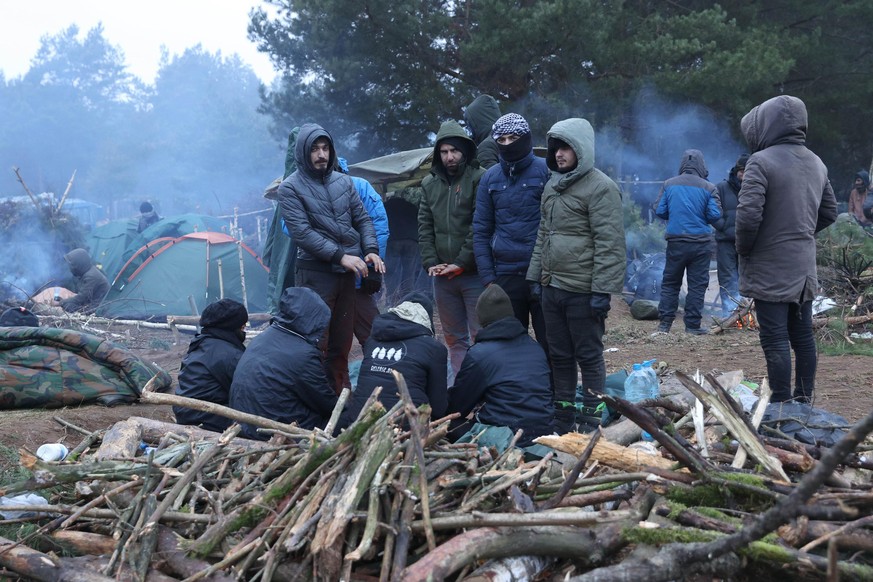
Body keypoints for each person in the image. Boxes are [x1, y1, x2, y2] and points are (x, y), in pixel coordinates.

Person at [526, 118, 626, 434]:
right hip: (552, 287)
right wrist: (535, 277)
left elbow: (610, 243)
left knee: (589, 356)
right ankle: (564, 414)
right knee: (560, 356)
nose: (559, 154)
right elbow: (544, 234)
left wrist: (602, 291)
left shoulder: (601, 187)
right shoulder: (552, 186)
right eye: (556, 147)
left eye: (566, 147)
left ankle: (592, 416)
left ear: (581, 148)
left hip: (583, 290)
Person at [735, 95, 837, 403]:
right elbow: (829, 211)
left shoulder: (760, 162)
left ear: (767, 124)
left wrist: (745, 249)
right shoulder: (816, 162)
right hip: (803, 267)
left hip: (770, 266)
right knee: (803, 336)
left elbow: (748, 216)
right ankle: (804, 402)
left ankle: (781, 404)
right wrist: (800, 232)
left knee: (775, 337)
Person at [278, 123, 385, 393]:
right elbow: (301, 233)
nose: (321, 155)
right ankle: (314, 400)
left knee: (341, 343)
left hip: (345, 275)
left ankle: (340, 400)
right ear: (304, 152)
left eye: (325, 148)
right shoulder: (290, 188)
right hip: (315, 274)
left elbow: (362, 218)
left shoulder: (343, 181)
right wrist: (341, 256)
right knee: (316, 342)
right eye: (314, 149)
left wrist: (371, 249)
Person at [473, 113, 549, 349]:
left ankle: (554, 387)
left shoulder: (546, 171)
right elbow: (481, 229)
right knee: (510, 345)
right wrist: (488, 278)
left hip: (543, 274)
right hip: (504, 275)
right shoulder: (490, 178)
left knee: (551, 343)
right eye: (502, 139)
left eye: (513, 138)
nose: (507, 144)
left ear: (525, 138)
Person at [418, 120, 486, 378]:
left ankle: (485, 391)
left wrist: (462, 262)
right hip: (443, 277)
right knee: (454, 339)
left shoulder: (479, 178)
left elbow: (478, 225)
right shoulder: (428, 184)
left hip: (473, 274)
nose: (450, 157)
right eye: (444, 152)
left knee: (481, 336)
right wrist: (430, 262)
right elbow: (424, 227)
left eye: (454, 151)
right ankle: (461, 390)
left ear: (465, 151)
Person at [447, 284, 553, 447]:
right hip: (542, 432)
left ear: (482, 318)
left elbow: (458, 408)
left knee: (449, 424)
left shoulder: (480, 354)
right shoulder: (535, 347)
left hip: (506, 437)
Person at [229, 287, 338, 439]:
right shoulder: (303, 354)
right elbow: (327, 404)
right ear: (313, 320)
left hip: (245, 426)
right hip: (277, 432)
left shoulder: (263, 337)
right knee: (342, 418)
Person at [338, 292, 447, 430]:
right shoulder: (434, 348)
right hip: (406, 430)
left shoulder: (372, 340)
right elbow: (438, 408)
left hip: (359, 426)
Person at [654, 149, 722, 334]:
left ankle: (664, 325)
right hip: (700, 244)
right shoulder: (709, 187)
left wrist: (676, 214)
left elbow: (659, 210)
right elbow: (715, 215)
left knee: (670, 283)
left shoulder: (669, 184)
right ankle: (692, 326)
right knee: (697, 285)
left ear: (683, 164)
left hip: (676, 242)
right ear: (702, 165)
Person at [337, 157, 389, 347]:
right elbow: (290, 228)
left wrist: (373, 267)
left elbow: (378, 226)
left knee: (374, 338)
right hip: (326, 279)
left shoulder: (359, 187)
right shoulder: (308, 189)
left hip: (358, 278)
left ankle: (379, 373)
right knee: (331, 343)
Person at [173, 299, 248, 432]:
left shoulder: (203, 342)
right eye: (242, 326)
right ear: (232, 327)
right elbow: (246, 392)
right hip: (204, 418)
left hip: (186, 411)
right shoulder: (228, 354)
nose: (244, 330)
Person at [713, 153, 749, 316]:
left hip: (749, 241)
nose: (743, 173)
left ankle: (748, 314)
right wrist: (723, 226)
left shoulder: (757, 188)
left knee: (747, 278)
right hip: (726, 242)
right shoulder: (721, 187)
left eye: (747, 170)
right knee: (727, 278)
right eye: (741, 170)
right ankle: (729, 314)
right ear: (736, 171)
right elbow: (712, 211)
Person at [384, 189, 431, 306]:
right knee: (409, 272)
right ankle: (407, 299)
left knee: (391, 272)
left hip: (393, 239)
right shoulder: (410, 205)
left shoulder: (386, 206)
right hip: (412, 240)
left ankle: (391, 301)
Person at [55, 248, 109, 313]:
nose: (71, 268)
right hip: (94, 305)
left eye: (72, 265)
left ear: (79, 263)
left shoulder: (91, 276)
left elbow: (82, 298)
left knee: (68, 306)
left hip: (98, 309)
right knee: (68, 304)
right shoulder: (88, 273)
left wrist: (62, 302)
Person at [464, 95, 502, 169]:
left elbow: (492, 178)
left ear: (476, 122)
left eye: (470, 124)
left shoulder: (487, 145)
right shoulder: (511, 137)